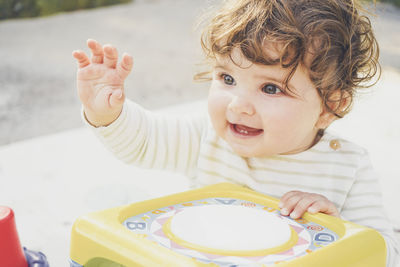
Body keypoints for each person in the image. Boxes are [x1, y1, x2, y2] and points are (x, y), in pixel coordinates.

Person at [72, 0, 399, 265]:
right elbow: (143, 141)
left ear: (329, 106)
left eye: (270, 88)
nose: (238, 105)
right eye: (227, 79)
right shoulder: (209, 139)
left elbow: (385, 252)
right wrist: (108, 112)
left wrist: (338, 226)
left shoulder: (346, 166)